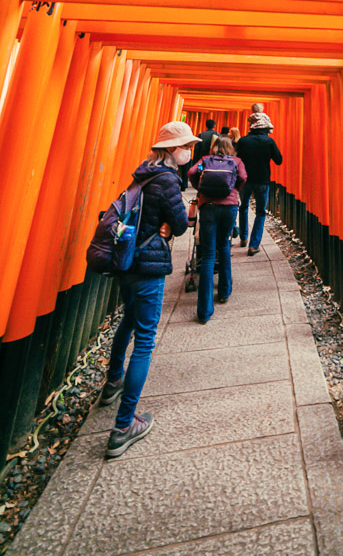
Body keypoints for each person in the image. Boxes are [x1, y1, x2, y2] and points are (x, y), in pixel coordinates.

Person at [98, 120, 198, 458]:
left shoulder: (142, 175)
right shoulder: (168, 181)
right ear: (171, 150)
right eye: (186, 146)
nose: (189, 151)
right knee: (145, 339)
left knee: (128, 319)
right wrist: (172, 226)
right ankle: (124, 426)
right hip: (148, 266)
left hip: (126, 262)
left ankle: (113, 379)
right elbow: (182, 224)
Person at [188, 135, 246, 323]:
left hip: (208, 206)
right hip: (229, 206)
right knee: (224, 247)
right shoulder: (236, 161)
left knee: (208, 254)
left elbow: (191, 172)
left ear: (214, 147)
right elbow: (243, 178)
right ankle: (224, 292)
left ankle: (204, 310)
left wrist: (201, 188)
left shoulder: (206, 160)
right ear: (231, 147)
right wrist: (231, 189)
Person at [235, 112, 282, 255]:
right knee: (261, 212)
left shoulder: (243, 141)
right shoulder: (269, 142)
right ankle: (254, 245)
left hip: (245, 180)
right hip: (262, 180)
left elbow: (237, 159)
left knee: (243, 207)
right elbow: (279, 160)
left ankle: (243, 238)